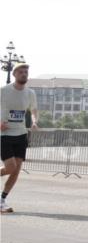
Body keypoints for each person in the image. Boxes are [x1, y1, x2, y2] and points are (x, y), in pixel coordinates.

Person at [1, 61, 40, 213]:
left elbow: (34, 110)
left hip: (21, 134)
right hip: (4, 134)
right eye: (21, 72)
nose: (24, 74)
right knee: (10, 167)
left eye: (26, 72)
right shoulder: (4, 91)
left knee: (16, 170)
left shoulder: (30, 93)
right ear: (14, 74)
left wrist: (35, 121)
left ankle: (2, 200)